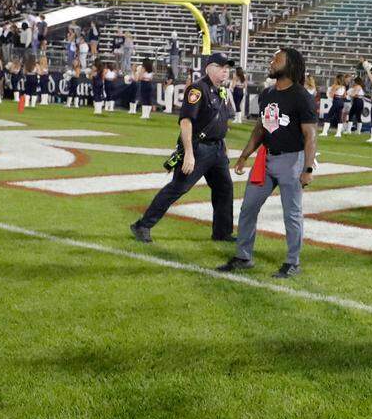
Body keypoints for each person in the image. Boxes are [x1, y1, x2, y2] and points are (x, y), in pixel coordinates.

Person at [218, 48, 317, 279]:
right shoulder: (268, 94)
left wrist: (308, 169)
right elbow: (261, 128)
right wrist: (244, 155)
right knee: (248, 207)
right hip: (267, 158)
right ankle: (243, 256)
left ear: (290, 65)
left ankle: (293, 262)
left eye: (277, 59)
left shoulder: (302, 96)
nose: (272, 62)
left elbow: (310, 135)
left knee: (291, 214)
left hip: (292, 159)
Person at [130, 53, 237, 244]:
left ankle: (222, 232)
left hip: (218, 149)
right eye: (222, 68)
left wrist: (224, 147)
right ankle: (142, 225)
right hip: (199, 149)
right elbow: (186, 122)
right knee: (178, 188)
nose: (225, 72)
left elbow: (219, 122)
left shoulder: (221, 91)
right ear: (209, 68)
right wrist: (188, 153)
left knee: (225, 189)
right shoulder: (197, 89)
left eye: (227, 69)